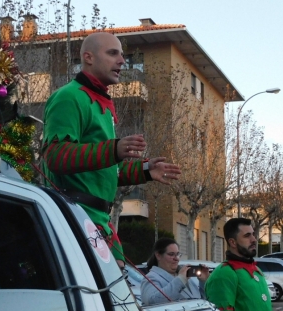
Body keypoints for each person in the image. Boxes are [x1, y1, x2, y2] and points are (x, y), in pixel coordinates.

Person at [42, 32, 181, 267]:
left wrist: (146, 170)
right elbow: (55, 157)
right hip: (77, 216)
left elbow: (105, 172)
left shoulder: (100, 102)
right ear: (88, 57)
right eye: (112, 53)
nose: (122, 61)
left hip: (99, 220)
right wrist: (113, 150)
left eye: (123, 55)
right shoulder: (68, 97)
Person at [140, 238, 208, 305]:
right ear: (158, 256)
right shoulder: (150, 278)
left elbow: (201, 301)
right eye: (171, 254)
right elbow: (152, 301)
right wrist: (180, 280)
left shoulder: (184, 275)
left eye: (178, 254)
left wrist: (204, 282)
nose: (176, 259)